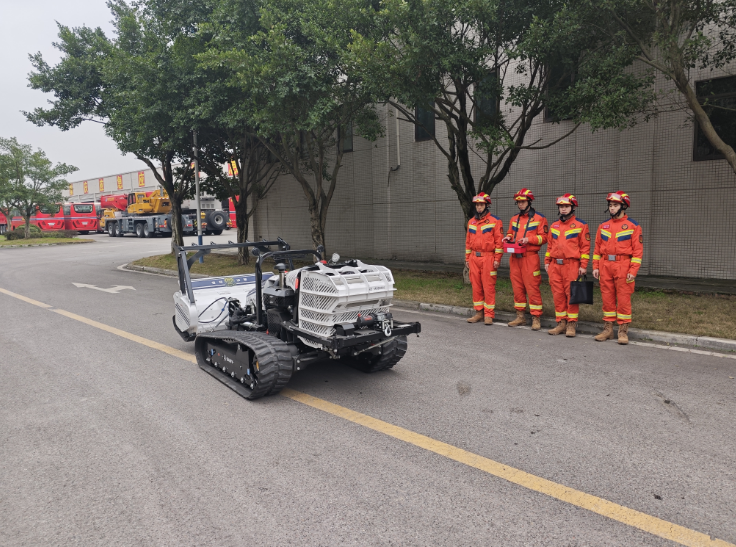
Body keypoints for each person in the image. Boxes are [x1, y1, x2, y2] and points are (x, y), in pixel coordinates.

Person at [592, 192, 643, 344]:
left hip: (623, 265)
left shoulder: (633, 226)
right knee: (607, 298)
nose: (612, 208)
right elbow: (597, 248)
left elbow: (638, 251)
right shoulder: (603, 225)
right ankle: (608, 330)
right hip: (605, 265)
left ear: (624, 206)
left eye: (615, 205)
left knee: (623, 298)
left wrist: (633, 270)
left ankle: (623, 331)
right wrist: (595, 266)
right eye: (610, 205)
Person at [544, 194, 590, 337]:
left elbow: (585, 247)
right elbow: (550, 246)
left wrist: (583, 265)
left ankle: (571, 324)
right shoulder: (554, 225)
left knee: (572, 295)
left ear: (572, 207)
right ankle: (561, 323)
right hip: (555, 265)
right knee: (558, 295)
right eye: (561, 206)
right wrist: (547, 262)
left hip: (571, 265)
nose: (563, 209)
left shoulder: (581, 225)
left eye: (566, 206)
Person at [502, 188, 548, 330]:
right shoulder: (514, 218)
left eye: (522, 202)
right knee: (517, 288)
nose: (520, 204)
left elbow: (544, 237)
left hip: (530, 258)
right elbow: (511, 233)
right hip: (515, 258)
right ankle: (520, 316)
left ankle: (536, 318)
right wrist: (508, 237)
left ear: (529, 201)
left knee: (532, 287)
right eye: (518, 202)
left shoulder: (540, 218)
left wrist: (529, 239)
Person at [465, 192, 504, 325]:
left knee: (488, 287)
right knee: (476, 287)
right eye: (477, 205)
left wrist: (497, 259)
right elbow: (468, 242)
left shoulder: (495, 221)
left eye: (481, 204)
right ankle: (479, 313)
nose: (479, 207)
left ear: (487, 205)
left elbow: (499, 242)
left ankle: (489, 314)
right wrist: (467, 258)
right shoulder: (471, 222)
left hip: (488, 258)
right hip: (474, 258)